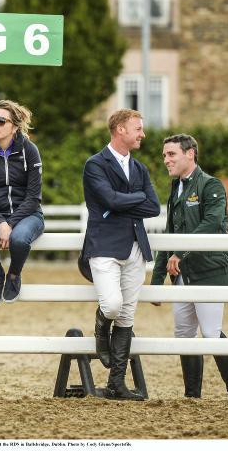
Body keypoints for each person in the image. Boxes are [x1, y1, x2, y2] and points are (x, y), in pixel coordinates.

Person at [151, 134, 228, 398]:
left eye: (171, 154)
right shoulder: (175, 189)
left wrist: (179, 253)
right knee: (183, 334)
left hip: (208, 272)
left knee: (212, 334)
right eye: (165, 155)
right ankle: (192, 396)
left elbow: (211, 224)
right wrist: (156, 282)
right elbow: (169, 234)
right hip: (183, 275)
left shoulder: (211, 185)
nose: (166, 160)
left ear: (190, 154)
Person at [82, 109, 160, 401]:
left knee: (127, 315)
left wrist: (121, 203)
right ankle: (101, 325)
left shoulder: (139, 169)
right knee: (113, 305)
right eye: (138, 128)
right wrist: (131, 199)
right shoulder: (95, 165)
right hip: (104, 245)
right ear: (119, 130)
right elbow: (109, 199)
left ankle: (117, 382)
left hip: (135, 246)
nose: (142, 134)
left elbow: (153, 207)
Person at [0, 100, 44, 306]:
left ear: (14, 126)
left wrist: (11, 223)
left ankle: (14, 274)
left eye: (0, 121)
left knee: (20, 239)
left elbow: (33, 198)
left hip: (28, 214)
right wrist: (1, 223)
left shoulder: (30, 151)